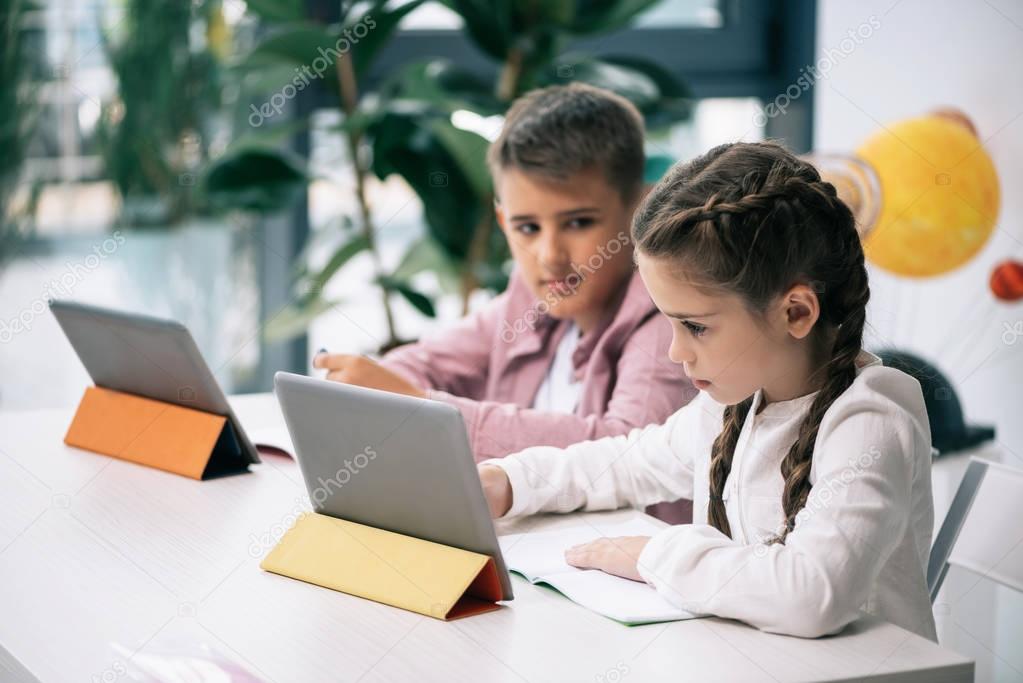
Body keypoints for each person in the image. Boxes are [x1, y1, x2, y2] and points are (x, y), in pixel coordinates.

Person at [477, 141, 937, 640]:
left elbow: (811, 596)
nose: (676, 352)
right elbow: (628, 464)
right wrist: (511, 481)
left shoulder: (869, 420)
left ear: (796, 313)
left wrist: (653, 554)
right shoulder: (731, 403)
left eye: (695, 326)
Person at [314, 84, 697, 521]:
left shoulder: (668, 317)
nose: (549, 255)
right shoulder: (533, 296)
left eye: (578, 222)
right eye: (527, 228)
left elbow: (628, 449)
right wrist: (383, 392)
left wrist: (430, 411)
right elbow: (423, 364)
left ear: (641, 209)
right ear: (502, 220)